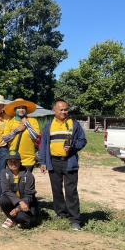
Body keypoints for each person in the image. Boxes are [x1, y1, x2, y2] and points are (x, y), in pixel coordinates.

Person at [40, 99, 87, 231]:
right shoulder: (49, 125)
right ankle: (61, 214)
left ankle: (75, 220)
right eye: (61, 109)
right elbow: (43, 145)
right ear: (54, 110)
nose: (64, 112)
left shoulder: (74, 124)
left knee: (71, 191)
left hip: (69, 161)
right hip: (54, 162)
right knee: (56, 190)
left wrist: (72, 147)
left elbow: (82, 140)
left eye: (66, 109)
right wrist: (43, 162)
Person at [0, 152, 38, 229]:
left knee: (25, 220)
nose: (13, 163)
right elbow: (6, 191)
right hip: (15, 202)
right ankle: (11, 218)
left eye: (16, 161)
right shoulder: (4, 173)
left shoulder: (28, 175)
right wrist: (19, 202)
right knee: (3, 199)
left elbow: (29, 196)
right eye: (10, 161)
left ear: (20, 161)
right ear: (7, 162)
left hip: (26, 204)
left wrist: (18, 209)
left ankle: (13, 218)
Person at [3, 98, 41, 171]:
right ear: (14, 110)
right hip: (13, 156)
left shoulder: (33, 121)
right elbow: (5, 139)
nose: (21, 109)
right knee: (14, 181)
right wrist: (17, 130)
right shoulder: (10, 122)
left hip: (28, 158)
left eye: (23, 107)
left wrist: (27, 123)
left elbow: (35, 137)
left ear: (26, 110)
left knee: (27, 181)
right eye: (18, 108)